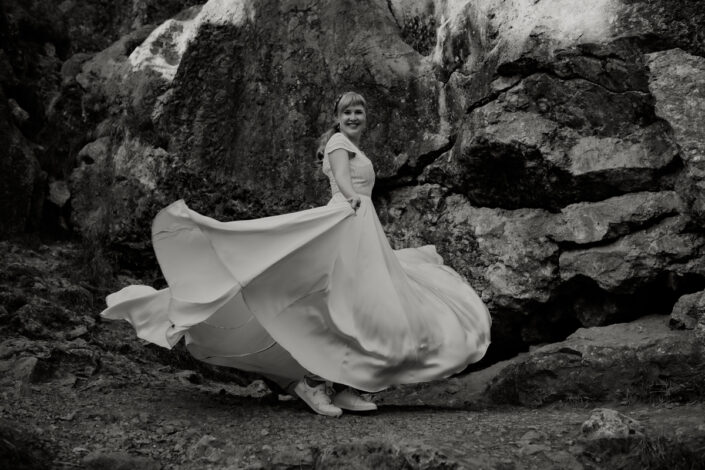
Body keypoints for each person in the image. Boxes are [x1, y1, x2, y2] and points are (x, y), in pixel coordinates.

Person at [101, 91, 491, 417]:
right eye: (347, 112)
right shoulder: (339, 144)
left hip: (362, 229)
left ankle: (350, 385)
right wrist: (353, 198)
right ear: (337, 118)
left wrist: (359, 204)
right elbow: (341, 180)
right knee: (337, 305)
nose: (353, 117)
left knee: (363, 307)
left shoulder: (355, 146)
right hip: (345, 220)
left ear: (365, 117)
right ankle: (314, 382)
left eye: (359, 112)